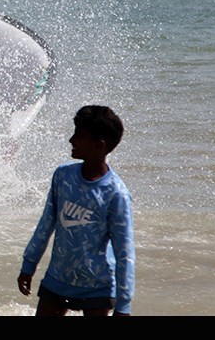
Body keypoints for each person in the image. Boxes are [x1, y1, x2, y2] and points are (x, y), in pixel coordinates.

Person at [16, 105, 135, 316]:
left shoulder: (116, 194)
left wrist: (123, 305)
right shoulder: (63, 177)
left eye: (79, 136)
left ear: (99, 145)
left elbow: (124, 252)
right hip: (57, 280)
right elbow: (46, 224)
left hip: (98, 287)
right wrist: (29, 264)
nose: (72, 140)